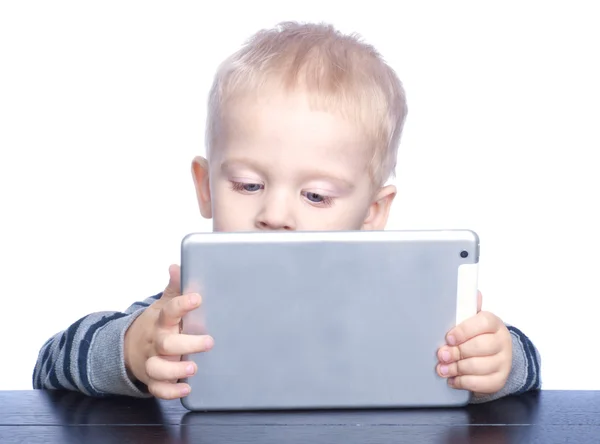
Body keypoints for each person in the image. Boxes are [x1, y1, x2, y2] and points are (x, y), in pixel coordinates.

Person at [32, 21, 541, 403]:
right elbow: (50, 364)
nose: (275, 214)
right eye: (249, 184)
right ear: (206, 186)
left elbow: (529, 366)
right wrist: (131, 349)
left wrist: (498, 361)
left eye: (316, 195)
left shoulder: (415, 313)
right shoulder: (184, 313)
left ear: (372, 211)